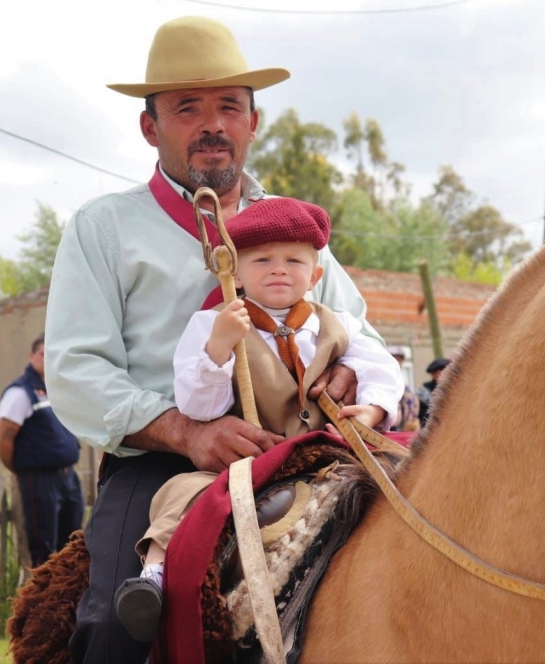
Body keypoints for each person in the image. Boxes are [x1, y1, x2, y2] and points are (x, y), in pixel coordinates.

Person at [44, 16, 381, 663]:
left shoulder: (292, 226)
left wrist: (353, 377)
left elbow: (356, 327)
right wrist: (185, 431)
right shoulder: (104, 228)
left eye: (229, 106)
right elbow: (76, 368)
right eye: (186, 107)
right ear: (151, 127)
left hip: (301, 446)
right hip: (162, 461)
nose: (212, 124)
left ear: (252, 122)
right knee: (111, 627)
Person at [112, 197, 403, 642]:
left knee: (406, 474)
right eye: (262, 260)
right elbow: (199, 407)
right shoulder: (212, 324)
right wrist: (220, 349)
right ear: (236, 273)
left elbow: (381, 367)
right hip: (246, 460)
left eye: (293, 260)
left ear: (315, 275)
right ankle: (153, 576)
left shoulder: (337, 323)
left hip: (325, 454)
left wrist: (375, 407)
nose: (278, 269)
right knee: (182, 493)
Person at [0, 334, 84, 568]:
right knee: (45, 550)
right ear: (32, 356)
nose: (47, 360)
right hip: (40, 480)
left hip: (68, 477)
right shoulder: (20, 393)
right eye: (43, 354)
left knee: (73, 544)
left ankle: (69, 601)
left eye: (51, 355)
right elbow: (4, 439)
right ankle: (42, 603)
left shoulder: (55, 389)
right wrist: (18, 468)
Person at [387, 346, 420, 432]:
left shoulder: (406, 389)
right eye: (393, 358)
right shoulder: (378, 382)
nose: (397, 362)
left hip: (403, 434)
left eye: (399, 359)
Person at [417, 357, 450, 427]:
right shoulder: (424, 392)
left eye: (444, 371)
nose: (441, 374)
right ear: (433, 374)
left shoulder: (453, 389)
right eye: (438, 372)